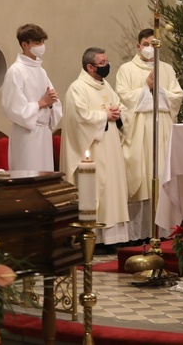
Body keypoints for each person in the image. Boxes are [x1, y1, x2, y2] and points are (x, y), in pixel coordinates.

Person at [116, 29, 183, 242]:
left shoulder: (166, 69)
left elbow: (177, 96)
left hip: (162, 127)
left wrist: (160, 91)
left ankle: (163, 229)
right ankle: (140, 233)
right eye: (145, 44)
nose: (149, 48)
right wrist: (146, 88)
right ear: (138, 46)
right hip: (138, 130)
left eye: (153, 44)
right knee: (142, 174)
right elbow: (123, 98)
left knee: (162, 172)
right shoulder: (126, 69)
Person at [60, 47, 130, 246]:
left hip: (111, 146)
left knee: (113, 189)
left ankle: (114, 238)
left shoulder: (105, 86)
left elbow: (119, 107)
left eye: (107, 61)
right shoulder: (78, 88)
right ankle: (94, 239)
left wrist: (118, 112)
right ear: (90, 67)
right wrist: (104, 116)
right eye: (102, 63)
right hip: (93, 149)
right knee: (96, 190)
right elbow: (78, 119)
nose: (107, 66)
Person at [1, 24, 62, 171]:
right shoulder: (16, 71)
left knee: (45, 178)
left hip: (44, 133)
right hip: (26, 135)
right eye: (37, 43)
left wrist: (52, 102)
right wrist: (42, 103)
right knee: (28, 175)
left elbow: (52, 102)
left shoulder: (41, 71)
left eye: (42, 42)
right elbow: (13, 109)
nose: (42, 46)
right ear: (25, 45)